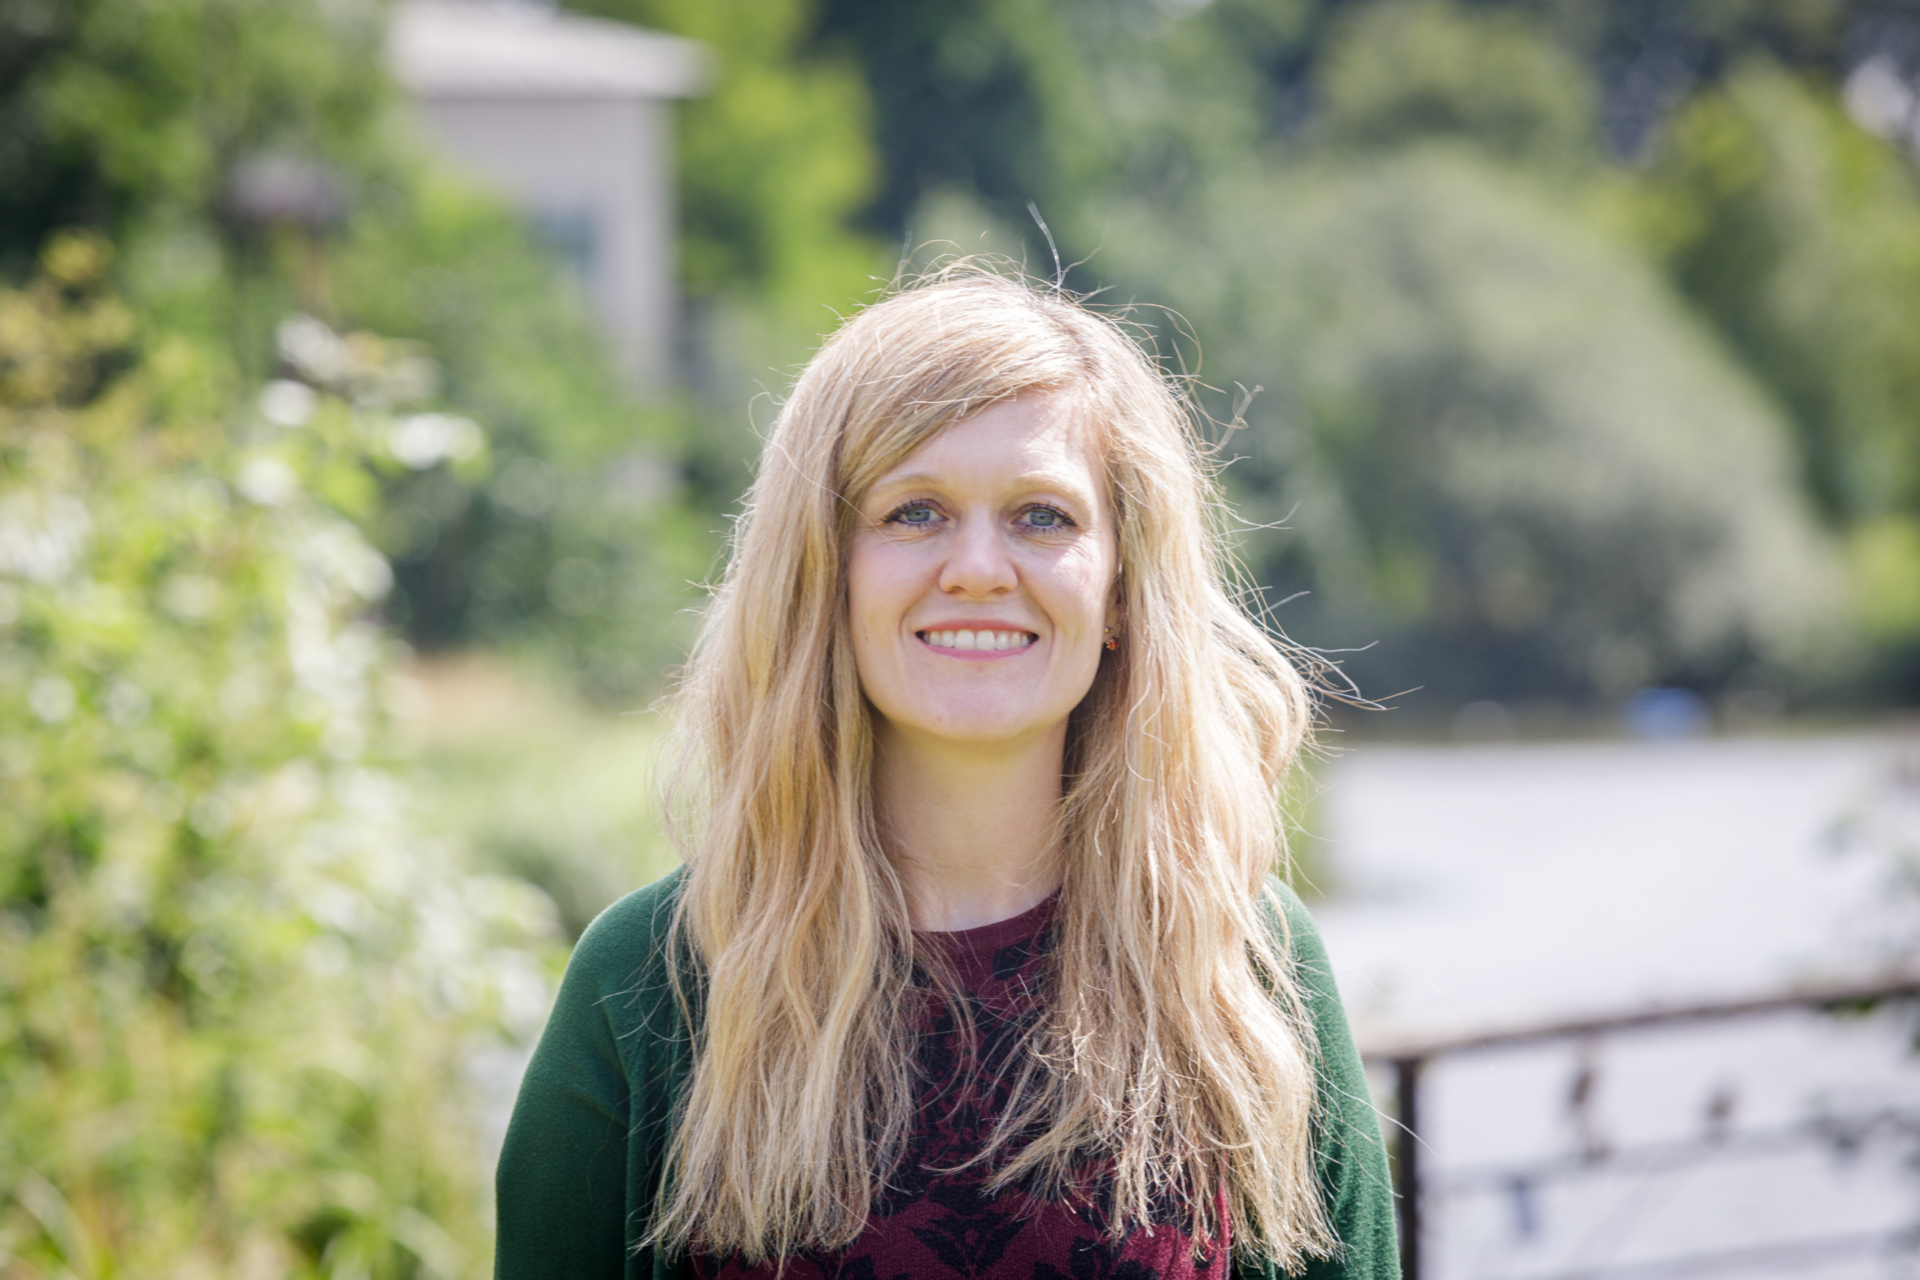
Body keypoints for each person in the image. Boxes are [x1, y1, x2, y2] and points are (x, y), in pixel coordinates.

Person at [494, 268, 1399, 1280]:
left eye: (1042, 516)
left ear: (1120, 595)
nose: (977, 565)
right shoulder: (651, 980)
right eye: (915, 511)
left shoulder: (1246, 972)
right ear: (824, 575)